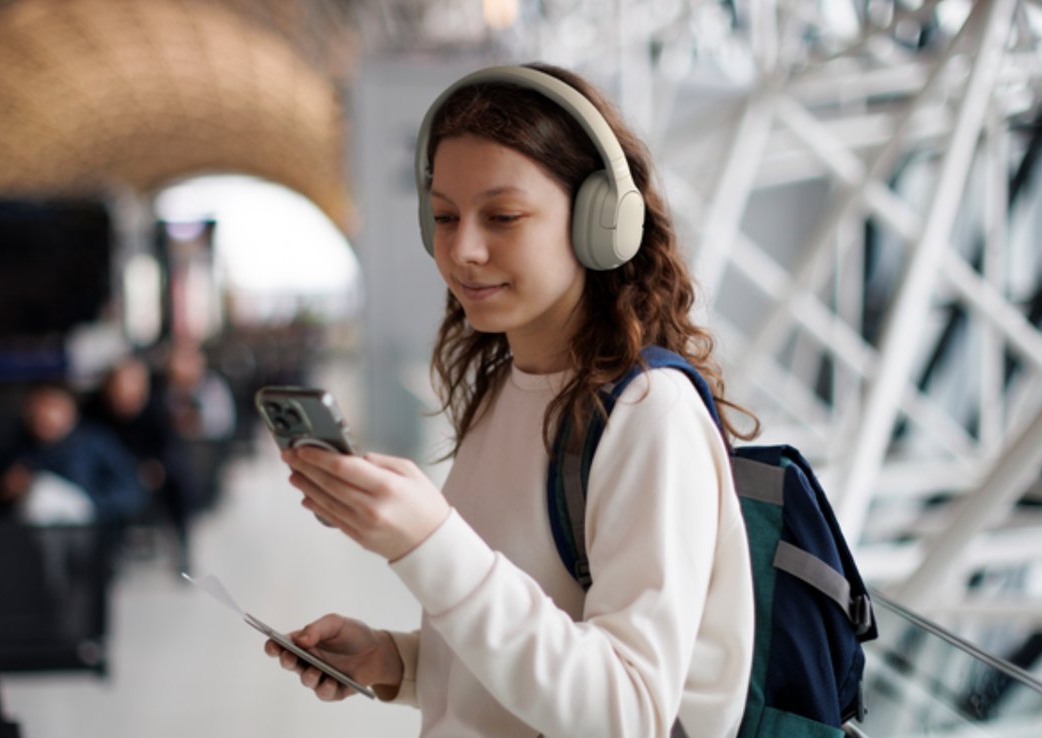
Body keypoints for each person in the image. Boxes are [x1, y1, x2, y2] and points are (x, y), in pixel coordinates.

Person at [264, 64, 758, 737]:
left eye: (502, 216)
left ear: (600, 222)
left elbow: (628, 711)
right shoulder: (506, 389)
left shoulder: (650, 416)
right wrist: (398, 663)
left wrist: (429, 543)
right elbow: (537, 643)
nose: (462, 249)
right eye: (443, 216)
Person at [86, 355, 197, 572]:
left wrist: (157, 467)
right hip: (110, 471)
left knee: (180, 481)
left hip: (150, 468)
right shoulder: (94, 410)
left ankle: (182, 543)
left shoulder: (156, 408)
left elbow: (169, 447)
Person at [0, 382, 147, 526]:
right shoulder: (18, 447)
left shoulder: (95, 442)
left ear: (70, 409)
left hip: (91, 535)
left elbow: (132, 492)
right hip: (32, 538)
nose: (44, 414)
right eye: (38, 407)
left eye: (52, 406)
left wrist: (89, 505)